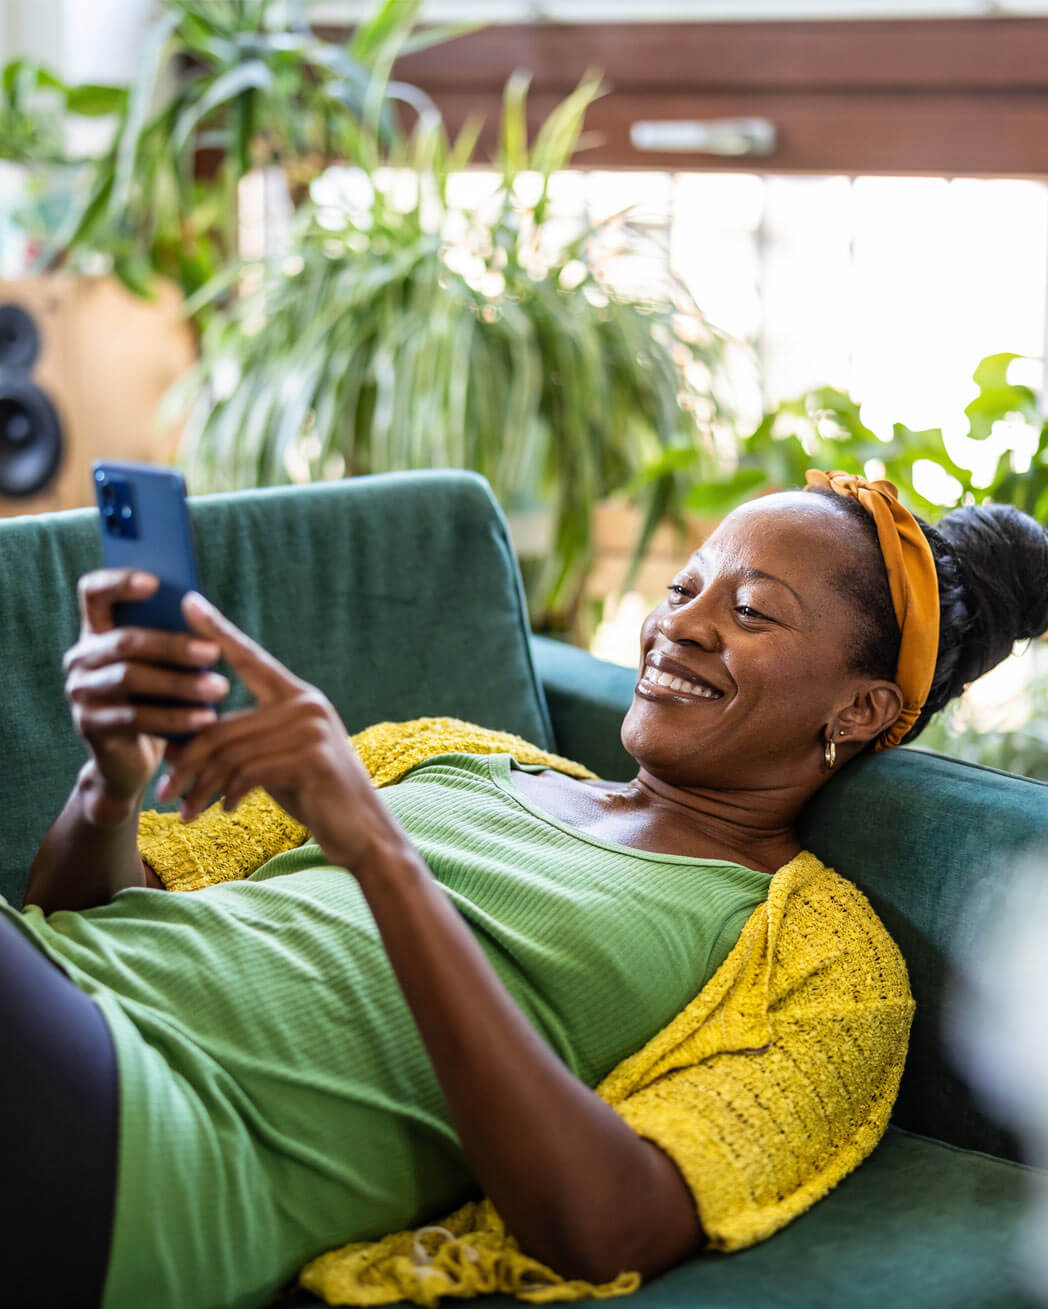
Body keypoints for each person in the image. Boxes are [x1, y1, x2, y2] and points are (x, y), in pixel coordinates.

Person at [3, 471, 1046, 1308]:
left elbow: (605, 1226)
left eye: (752, 612)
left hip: (163, 1142)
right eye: (682, 588)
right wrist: (114, 780)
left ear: (861, 711)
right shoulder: (443, 753)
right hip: (54, 993)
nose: (679, 625)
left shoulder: (825, 961)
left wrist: (378, 854)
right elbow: (79, 915)